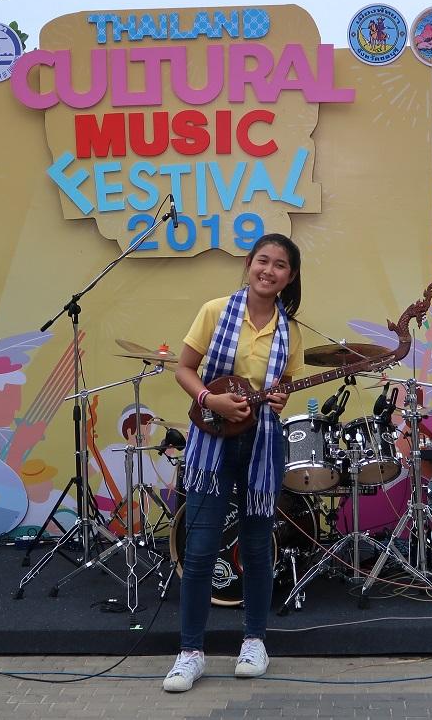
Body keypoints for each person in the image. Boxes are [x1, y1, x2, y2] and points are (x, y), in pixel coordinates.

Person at [163, 233, 304, 692]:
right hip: (213, 441)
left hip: (262, 445)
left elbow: (282, 387)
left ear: (290, 277)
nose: (269, 270)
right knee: (201, 547)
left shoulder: (292, 331)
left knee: (257, 547)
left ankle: (255, 642)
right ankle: (190, 652)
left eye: (280, 265)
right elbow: (184, 368)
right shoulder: (215, 310)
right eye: (263, 260)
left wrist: (279, 399)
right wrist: (211, 399)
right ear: (249, 264)